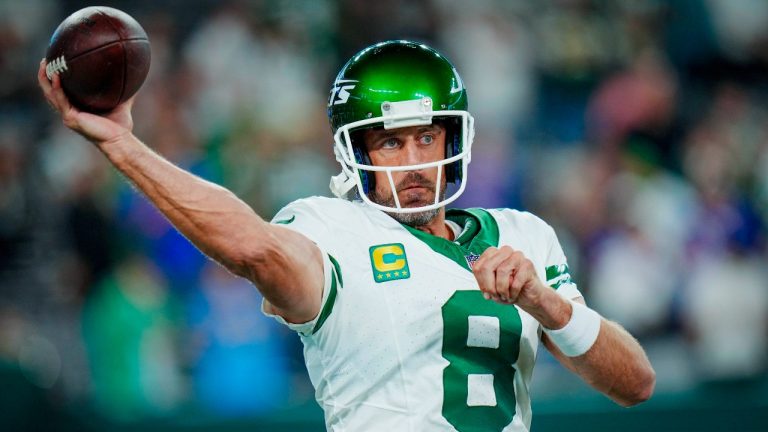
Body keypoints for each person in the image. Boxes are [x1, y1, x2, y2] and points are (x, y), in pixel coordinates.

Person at [39, 40, 655, 431]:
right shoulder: (328, 228)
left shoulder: (524, 235)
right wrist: (122, 145)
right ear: (353, 152)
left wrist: (546, 304)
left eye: (426, 137)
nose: (412, 161)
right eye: (389, 142)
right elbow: (251, 246)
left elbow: (635, 385)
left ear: (453, 141)